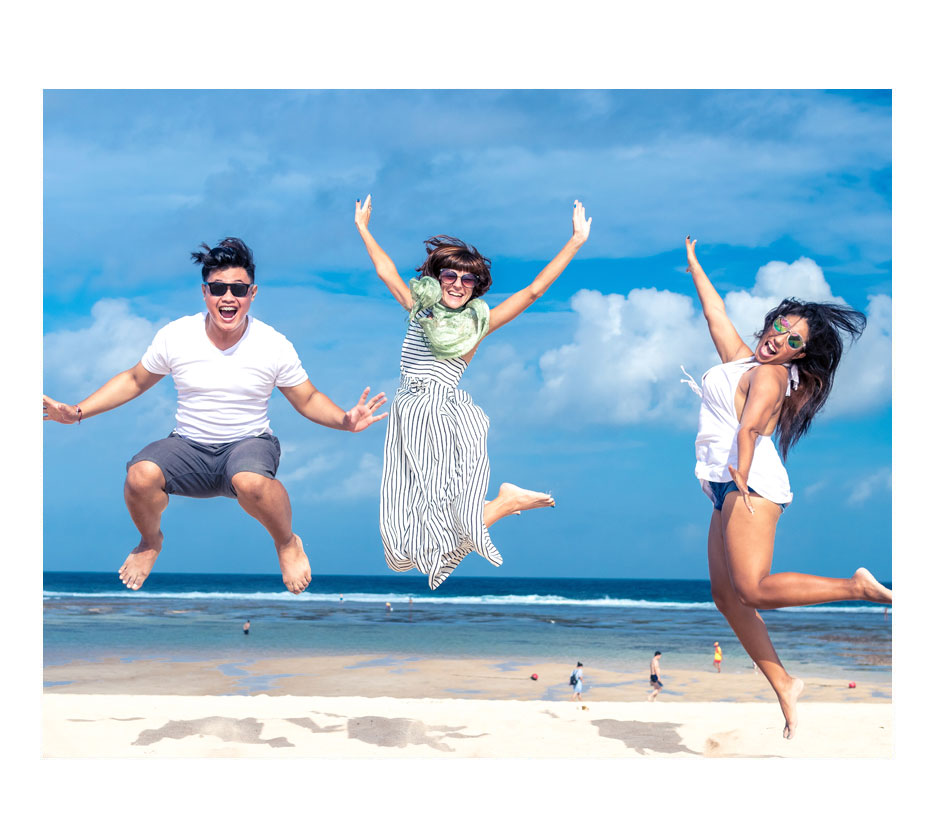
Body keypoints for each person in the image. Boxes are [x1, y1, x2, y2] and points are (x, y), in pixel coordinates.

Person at [43, 237, 387, 595]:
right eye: (219, 288)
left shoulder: (273, 344)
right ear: (205, 292)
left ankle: (286, 543)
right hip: (188, 446)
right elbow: (134, 380)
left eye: (238, 289)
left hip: (248, 445)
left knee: (251, 482)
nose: (228, 297)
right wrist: (77, 411)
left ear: (252, 293)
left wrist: (344, 421)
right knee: (139, 475)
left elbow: (308, 397)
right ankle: (150, 541)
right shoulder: (176, 336)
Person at [682, 236, 893, 739]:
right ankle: (785, 684)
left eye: (793, 340)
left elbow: (751, 427)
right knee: (727, 596)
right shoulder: (744, 362)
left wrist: (741, 468)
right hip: (726, 484)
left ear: (800, 354)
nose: (778, 340)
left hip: (748, 481)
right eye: (779, 327)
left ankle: (856, 587)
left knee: (751, 587)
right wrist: (694, 266)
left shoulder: (773, 378)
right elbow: (716, 317)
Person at [354, 195, 591, 588]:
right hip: (408, 413)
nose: (458, 285)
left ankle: (504, 502)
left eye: (468, 279)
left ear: (477, 286)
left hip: (441, 413)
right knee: (400, 548)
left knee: (436, 530)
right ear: (437, 277)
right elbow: (385, 271)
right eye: (450, 276)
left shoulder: (478, 323)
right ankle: (503, 502)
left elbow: (532, 292)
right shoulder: (420, 307)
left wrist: (575, 242)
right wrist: (363, 228)